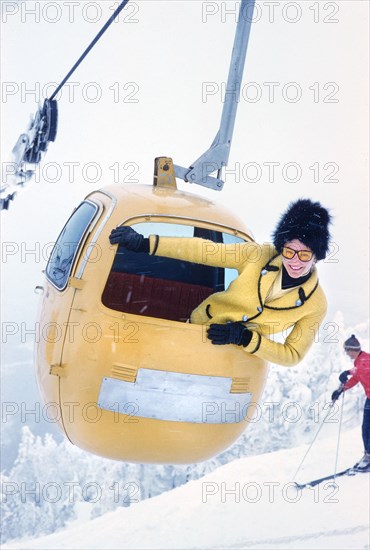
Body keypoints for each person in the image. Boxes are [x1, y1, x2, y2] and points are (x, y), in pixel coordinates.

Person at [109, 198, 331, 367]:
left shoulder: (316, 304)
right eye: (289, 250)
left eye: (304, 255)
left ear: (316, 257)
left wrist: (246, 338)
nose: (294, 261)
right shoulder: (257, 255)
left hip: (237, 359)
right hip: (196, 331)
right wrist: (146, 244)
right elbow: (204, 251)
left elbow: (292, 355)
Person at [332, 335, 370, 471]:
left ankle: (369, 456)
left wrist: (347, 371)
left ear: (353, 350)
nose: (347, 354)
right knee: (366, 428)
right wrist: (341, 390)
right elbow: (356, 378)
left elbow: (361, 370)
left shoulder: (364, 361)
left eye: (347, 351)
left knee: (367, 428)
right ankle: (368, 454)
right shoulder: (361, 360)